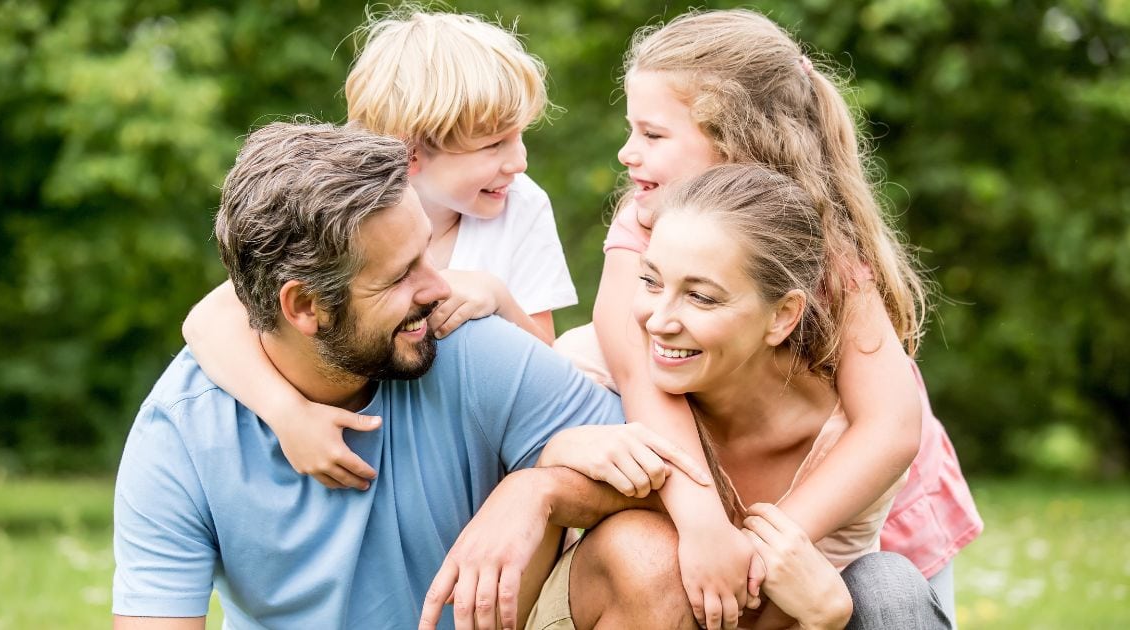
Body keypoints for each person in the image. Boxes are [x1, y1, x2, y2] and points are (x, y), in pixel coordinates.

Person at [112, 121, 689, 629]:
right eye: (398, 277)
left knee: (646, 556)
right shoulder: (183, 434)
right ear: (305, 307)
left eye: (427, 253)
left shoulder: (466, 343)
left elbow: (675, 481)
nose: (439, 287)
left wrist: (538, 489)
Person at [552, 9, 981, 627]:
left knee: (890, 595)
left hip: (862, 492)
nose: (627, 153)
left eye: (652, 135)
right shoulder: (644, 221)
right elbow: (641, 372)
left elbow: (888, 429)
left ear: (733, 140)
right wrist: (703, 525)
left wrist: (766, 550)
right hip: (734, 484)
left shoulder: (825, 246)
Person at [528, 165, 951, 630]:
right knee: (646, 549)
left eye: (702, 298)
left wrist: (825, 620)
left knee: (889, 587)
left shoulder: (850, 444)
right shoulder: (592, 373)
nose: (659, 321)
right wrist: (550, 462)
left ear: (783, 316)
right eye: (650, 282)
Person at [179, 9, 577, 492]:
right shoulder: (344, 211)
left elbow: (550, 376)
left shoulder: (521, 206)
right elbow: (207, 322)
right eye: (494, 145)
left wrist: (499, 297)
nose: (519, 160)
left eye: (520, 135)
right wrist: (288, 415)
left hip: (475, 472)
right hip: (370, 458)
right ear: (410, 154)